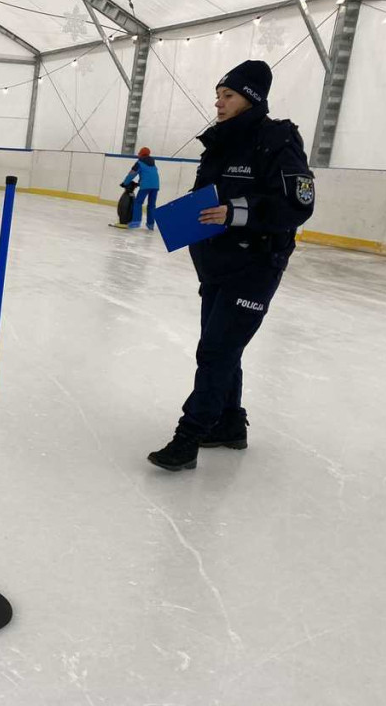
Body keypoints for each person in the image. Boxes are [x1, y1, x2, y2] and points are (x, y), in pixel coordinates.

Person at [148, 60, 315, 472]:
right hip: (218, 263)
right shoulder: (221, 141)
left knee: (217, 349)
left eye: (229, 96)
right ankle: (229, 424)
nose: (218, 103)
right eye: (218, 95)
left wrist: (234, 213)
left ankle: (188, 438)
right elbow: (208, 198)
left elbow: (299, 204)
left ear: (251, 99)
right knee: (225, 349)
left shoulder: (277, 140)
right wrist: (188, 219)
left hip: (257, 263)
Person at [117, 147, 160, 230]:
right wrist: (139, 183)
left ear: (141, 154)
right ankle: (150, 224)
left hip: (146, 186)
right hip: (155, 186)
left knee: (138, 203)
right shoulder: (153, 163)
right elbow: (150, 175)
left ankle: (136, 222)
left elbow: (132, 174)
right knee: (151, 205)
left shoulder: (139, 163)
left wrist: (124, 183)